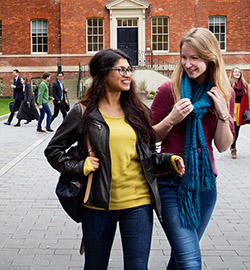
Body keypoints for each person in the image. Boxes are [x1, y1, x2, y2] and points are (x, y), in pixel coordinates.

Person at [44, 49, 185, 270]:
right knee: (95, 265)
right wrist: (81, 167)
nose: (127, 74)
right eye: (121, 69)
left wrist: (169, 160)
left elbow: (147, 155)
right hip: (98, 205)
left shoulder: (138, 112)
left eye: (129, 69)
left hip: (138, 203)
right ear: (102, 74)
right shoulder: (83, 112)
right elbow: (53, 151)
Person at [151, 27, 234, 269]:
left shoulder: (221, 93)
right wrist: (172, 118)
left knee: (181, 258)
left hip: (205, 186)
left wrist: (222, 114)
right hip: (170, 183)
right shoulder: (169, 90)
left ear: (210, 57)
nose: (188, 64)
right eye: (184, 57)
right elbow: (148, 137)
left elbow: (222, 145)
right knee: (190, 259)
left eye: (195, 58)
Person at [228, 67, 249, 159]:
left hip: (240, 108)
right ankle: (232, 147)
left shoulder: (244, 84)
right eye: (235, 72)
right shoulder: (229, 84)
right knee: (231, 128)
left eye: (239, 72)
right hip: (231, 108)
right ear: (232, 73)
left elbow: (246, 98)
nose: (237, 73)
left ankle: (233, 146)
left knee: (237, 129)